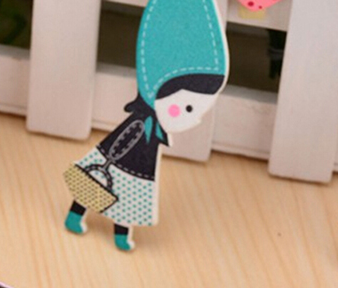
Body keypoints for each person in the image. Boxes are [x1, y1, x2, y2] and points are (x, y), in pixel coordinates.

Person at [64, 0, 229, 251]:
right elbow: (122, 143)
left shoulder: (155, 129)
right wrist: (112, 158)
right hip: (117, 162)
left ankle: (118, 234)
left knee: (127, 200)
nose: (194, 118)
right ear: (160, 90)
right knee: (99, 187)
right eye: (188, 108)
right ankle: (76, 217)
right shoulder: (142, 125)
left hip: (137, 168)